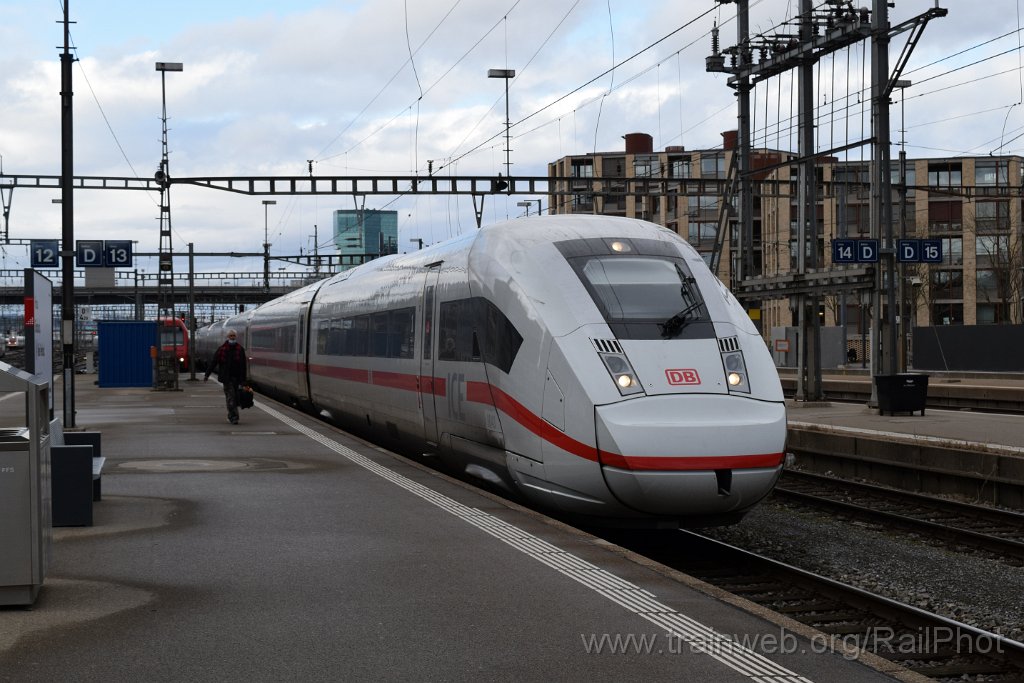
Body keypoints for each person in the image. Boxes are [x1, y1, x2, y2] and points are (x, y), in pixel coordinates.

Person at [204, 328, 248, 425]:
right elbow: (214, 362)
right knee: (231, 397)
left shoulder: (240, 349)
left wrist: (244, 380)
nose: (232, 337)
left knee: (235, 398)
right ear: (227, 337)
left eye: (234, 336)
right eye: (230, 336)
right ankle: (234, 417)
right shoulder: (222, 349)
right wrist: (207, 374)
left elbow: (243, 366)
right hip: (226, 379)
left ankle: (231, 415)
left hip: (237, 378)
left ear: (236, 337)